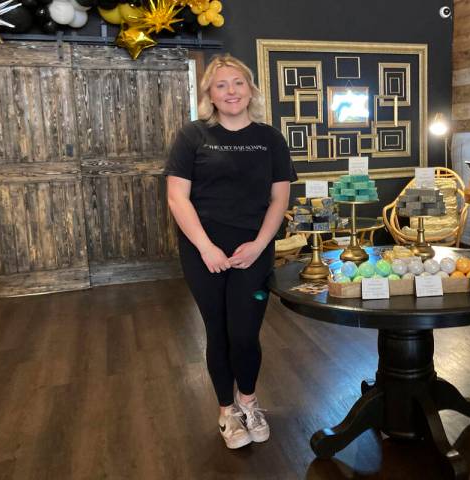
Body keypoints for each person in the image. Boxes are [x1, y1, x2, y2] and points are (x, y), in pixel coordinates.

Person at [165, 54, 296, 449]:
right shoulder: (192, 136)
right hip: (203, 251)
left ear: (250, 89)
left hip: (253, 250)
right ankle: (227, 411)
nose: (231, 91)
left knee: (245, 332)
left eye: (238, 83)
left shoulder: (270, 138)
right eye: (221, 85)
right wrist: (205, 248)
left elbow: (279, 200)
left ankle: (249, 401)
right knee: (217, 331)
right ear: (209, 94)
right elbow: (177, 198)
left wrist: (259, 246)